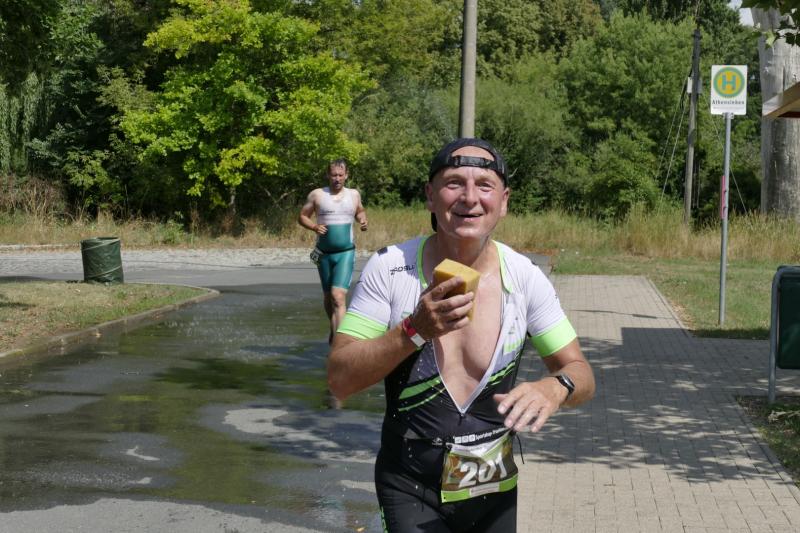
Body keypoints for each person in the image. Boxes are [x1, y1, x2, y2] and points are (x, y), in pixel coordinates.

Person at [328, 138, 595, 532]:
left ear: (503, 201)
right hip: (409, 486)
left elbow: (581, 373)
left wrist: (556, 388)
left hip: (493, 490)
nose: (470, 198)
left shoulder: (525, 278)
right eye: (454, 183)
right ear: (430, 196)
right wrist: (413, 330)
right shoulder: (390, 268)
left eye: (484, 185)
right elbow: (339, 379)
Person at [299, 159, 368, 343]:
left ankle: (340, 344)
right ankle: (334, 326)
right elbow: (302, 216)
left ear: (346, 175)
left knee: (338, 297)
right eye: (334, 175)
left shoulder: (353, 194)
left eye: (340, 175)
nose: (337, 178)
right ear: (328, 175)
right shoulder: (317, 195)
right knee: (328, 296)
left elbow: (360, 211)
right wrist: (314, 227)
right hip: (323, 254)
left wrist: (362, 219)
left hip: (345, 253)